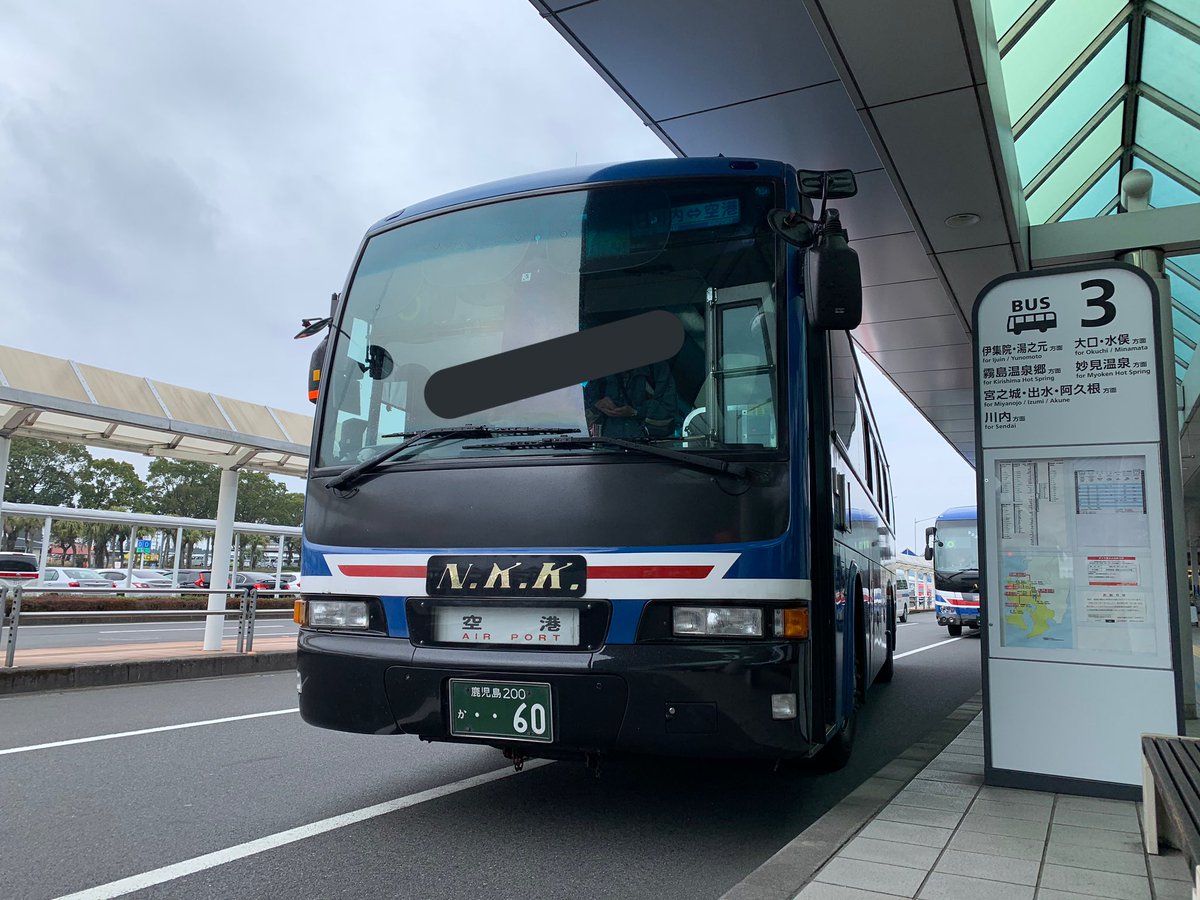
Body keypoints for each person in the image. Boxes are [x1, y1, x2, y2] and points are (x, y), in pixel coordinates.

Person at [584, 360, 678, 439]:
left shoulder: (657, 368)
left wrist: (635, 412)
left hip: (649, 449)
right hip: (606, 448)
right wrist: (597, 405)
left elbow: (669, 411)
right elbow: (581, 410)